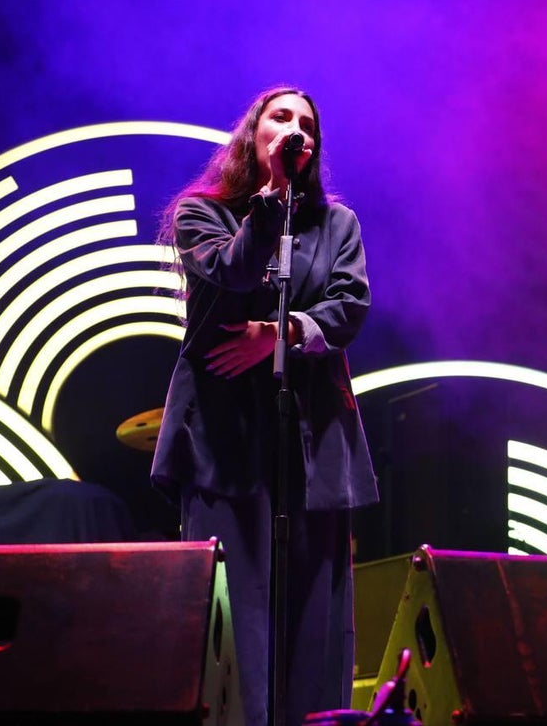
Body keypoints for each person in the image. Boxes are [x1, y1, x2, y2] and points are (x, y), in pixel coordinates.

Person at [151, 86, 379, 726]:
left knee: (315, 627)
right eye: (281, 118)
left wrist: (275, 338)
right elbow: (234, 274)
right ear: (252, 134)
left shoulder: (339, 226)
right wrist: (270, 199)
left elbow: (348, 308)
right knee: (237, 627)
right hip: (224, 444)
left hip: (312, 444)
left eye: (306, 123)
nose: (295, 129)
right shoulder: (203, 213)